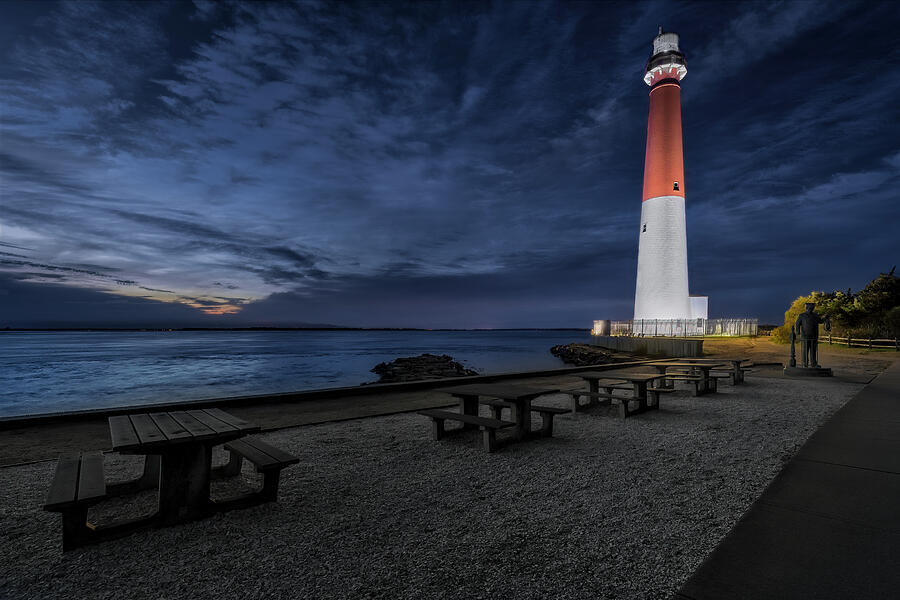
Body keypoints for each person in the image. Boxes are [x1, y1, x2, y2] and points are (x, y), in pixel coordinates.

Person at [795, 303, 830, 368]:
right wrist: (797, 331)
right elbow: (797, 323)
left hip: (814, 336)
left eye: (812, 307)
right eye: (810, 307)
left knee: (813, 351)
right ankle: (805, 363)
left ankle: (813, 363)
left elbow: (820, 321)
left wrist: (825, 318)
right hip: (805, 336)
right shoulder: (802, 316)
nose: (811, 308)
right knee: (805, 350)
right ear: (807, 307)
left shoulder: (815, 316)